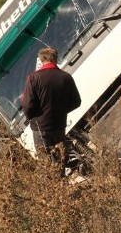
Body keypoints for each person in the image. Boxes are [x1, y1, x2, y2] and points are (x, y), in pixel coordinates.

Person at [22, 47, 82, 177]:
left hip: (40, 128)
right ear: (56, 59)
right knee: (60, 161)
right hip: (59, 126)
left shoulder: (33, 78)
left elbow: (27, 105)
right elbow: (76, 101)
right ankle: (61, 189)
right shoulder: (66, 77)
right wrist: (61, 112)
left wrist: (32, 117)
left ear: (41, 59)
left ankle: (51, 193)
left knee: (45, 163)